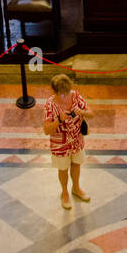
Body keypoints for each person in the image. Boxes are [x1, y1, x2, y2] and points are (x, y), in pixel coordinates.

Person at [42, 74, 90, 209]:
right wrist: (59, 120)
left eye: (67, 93)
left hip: (77, 140)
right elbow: (46, 130)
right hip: (60, 144)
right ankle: (64, 192)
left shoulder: (75, 95)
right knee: (63, 169)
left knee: (76, 164)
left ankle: (76, 188)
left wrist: (81, 112)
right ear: (55, 92)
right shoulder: (49, 105)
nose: (65, 96)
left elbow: (91, 113)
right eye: (62, 94)